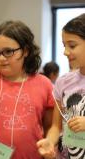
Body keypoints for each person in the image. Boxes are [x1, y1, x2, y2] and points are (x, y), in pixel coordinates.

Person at [0, 20, 55, 159]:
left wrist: (49, 144)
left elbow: (51, 126)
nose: (1, 58)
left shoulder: (44, 84)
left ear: (25, 51)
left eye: (8, 52)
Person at [37, 13, 85, 159]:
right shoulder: (63, 82)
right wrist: (50, 142)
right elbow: (56, 127)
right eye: (64, 45)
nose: (65, 52)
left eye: (72, 45)